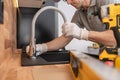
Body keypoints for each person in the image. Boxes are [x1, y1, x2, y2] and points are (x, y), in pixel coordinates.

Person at [26, 0, 120, 56]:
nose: (68, 2)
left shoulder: (107, 1)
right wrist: (42, 47)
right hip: (106, 55)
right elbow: (65, 38)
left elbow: (116, 39)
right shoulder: (80, 14)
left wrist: (82, 33)